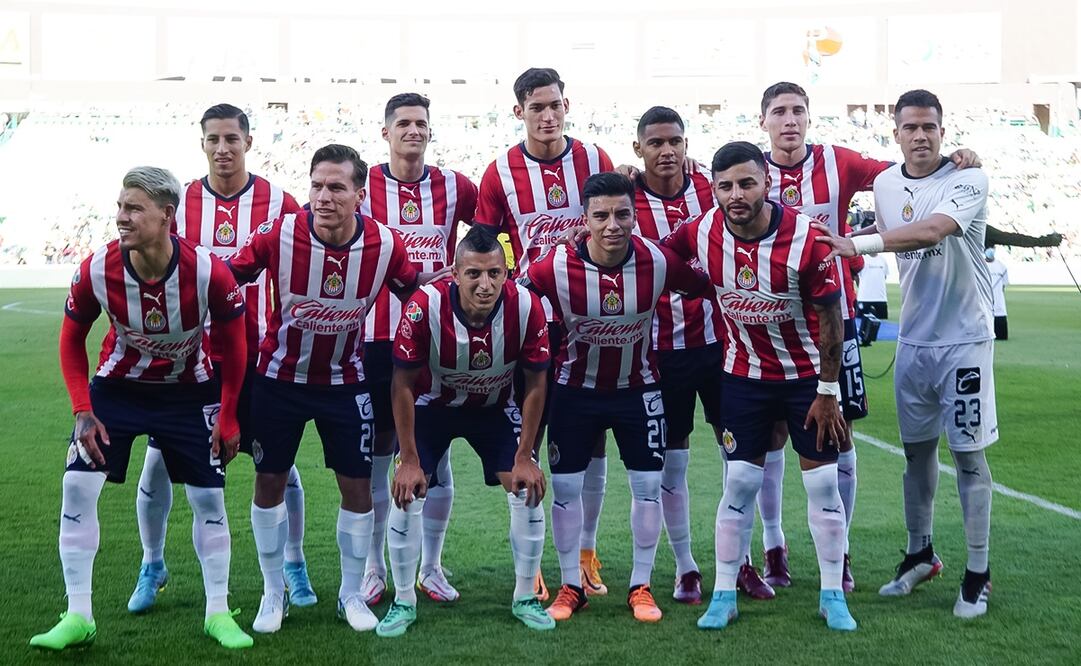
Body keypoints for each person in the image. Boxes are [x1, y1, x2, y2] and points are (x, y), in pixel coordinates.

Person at [754, 82, 981, 594]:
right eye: (779, 112)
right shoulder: (749, 170)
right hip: (768, 323)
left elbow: (908, 175)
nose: (790, 120)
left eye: (798, 111)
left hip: (834, 320)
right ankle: (774, 548)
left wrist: (958, 158)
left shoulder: (840, 161)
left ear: (809, 118)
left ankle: (843, 550)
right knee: (768, 436)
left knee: (840, 433)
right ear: (762, 120)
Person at [31, 167, 253, 650]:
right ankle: (78, 615)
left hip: (189, 392)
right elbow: (72, 341)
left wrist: (230, 414)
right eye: (120, 207)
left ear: (166, 215)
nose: (121, 218)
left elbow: (236, 349)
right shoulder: (96, 268)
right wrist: (81, 409)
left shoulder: (208, 271)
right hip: (117, 390)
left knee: (209, 500)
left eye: (133, 209)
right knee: (76, 486)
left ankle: (218, 612)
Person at [227, 144, 430, 634]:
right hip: (278, 379)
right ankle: (273, 592)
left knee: (358, 488)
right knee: (269, 481)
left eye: (337, 187)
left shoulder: (384, 244)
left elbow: (418, 289)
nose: (323, 196)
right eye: (316, 185)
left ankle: (350, 594)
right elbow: (230, 275)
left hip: (346, 381)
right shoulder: (282, 233)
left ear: (360, 194)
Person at [814, 89, 997, 619]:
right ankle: (920, 555)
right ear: (895, 133)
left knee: (967, 456)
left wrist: (862, 243)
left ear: (944, 131)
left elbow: (935, 228)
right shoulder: (887, 184)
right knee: (917, 455)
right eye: (911, 127)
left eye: (930, 127)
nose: (921, 135)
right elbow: (895, 230)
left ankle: (978, 573)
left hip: (964, 341)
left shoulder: (968, 179)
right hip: (914, 342)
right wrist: (856, 237)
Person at [128, 103, 315, 615]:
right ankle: (152, 564)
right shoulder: (179, 203)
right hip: (186, 361)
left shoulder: (282, 202)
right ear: (202, 143)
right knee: (159, 462)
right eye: (213, 139)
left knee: (276, 463)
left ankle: (294, 565)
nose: (223, 148)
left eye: (232, 138)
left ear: (249, 142)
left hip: (256, 359)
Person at [662, 142, 855, 632]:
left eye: (746, 183)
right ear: (712, 188)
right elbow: (662, 258)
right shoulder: (701, 230)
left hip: (806, 379)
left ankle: (833, 595)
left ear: (767, 182)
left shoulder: (806, 239)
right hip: (743, 376)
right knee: (741, 481)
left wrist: (828, 392)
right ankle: (723, 593)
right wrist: (696, 285)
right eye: (724, 185)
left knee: (821, 482)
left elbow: (833, 319)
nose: (735, 194)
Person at [525, 172, 710, 623]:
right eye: (601, 215)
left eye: (622, 214)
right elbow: (514, 298)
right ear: (584, 219)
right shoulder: (554, 265)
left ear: (634, 215)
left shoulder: (658, 261)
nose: (613, 224)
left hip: (639, 390)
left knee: (647, 489)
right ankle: (572, 585)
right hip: (573, 392)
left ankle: (640, 586)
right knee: (566, 491)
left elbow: (706, 284)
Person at [474, 67, 614, 600]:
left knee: (590, 442)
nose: (548, 115)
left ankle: (585, 553)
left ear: (566, 104)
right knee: (524, 444)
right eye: (537, 107)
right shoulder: (499, 173)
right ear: (519, 112)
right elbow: (490, 244)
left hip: (591, 320)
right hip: (530, 324)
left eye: (555, 105)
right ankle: (530, 564)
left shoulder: (595, 160)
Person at [375, 226, 553, 636]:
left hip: (493, 409)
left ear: (507, 274)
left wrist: (525, 456)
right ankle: (404, 600)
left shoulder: (526, 306)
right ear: (453, 274)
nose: (485, 284)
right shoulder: (424, 307)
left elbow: (536, 385)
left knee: (527, 489)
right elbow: (401, 384)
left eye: (494, 273)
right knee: (408, 490)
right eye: (474, 274)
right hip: (432, 407)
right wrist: (409, 459)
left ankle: (525, 596)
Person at [359, 93, 478, 607]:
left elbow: (499, 228)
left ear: (431, 131)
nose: (413, 130)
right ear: (385, 132)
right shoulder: (362, 186)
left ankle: (431, 566)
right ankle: (372, 567)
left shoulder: (455, 186)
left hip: (435, 338)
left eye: (421, 123)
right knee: (378, 450)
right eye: (403, 123)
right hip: (374, 337)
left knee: (436, 452)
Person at [629, 106, 722, 604]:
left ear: (687, 146)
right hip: (662, 351)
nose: (667, 151)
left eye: (676, 142)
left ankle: (742, 560)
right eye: (657, 142)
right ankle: (685, 564)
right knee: (674, 462)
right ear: (638, 148)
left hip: (722, 343)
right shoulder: (627, 200)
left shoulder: (713, 189)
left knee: (741, 454)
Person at [856, 252, 890, 320]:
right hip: (864, 298)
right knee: (861, 323)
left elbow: (885, 276)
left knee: (883, 325)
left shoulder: (882, 260)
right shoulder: (862, 259)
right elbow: (856, 276)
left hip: (881, 299)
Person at [985, 248, 1009, 340]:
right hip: (985, 293)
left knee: (999, 311)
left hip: (998, 294)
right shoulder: (982, 264)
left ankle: (1001, 335)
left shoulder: (1001, 266)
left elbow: (1004, 284)